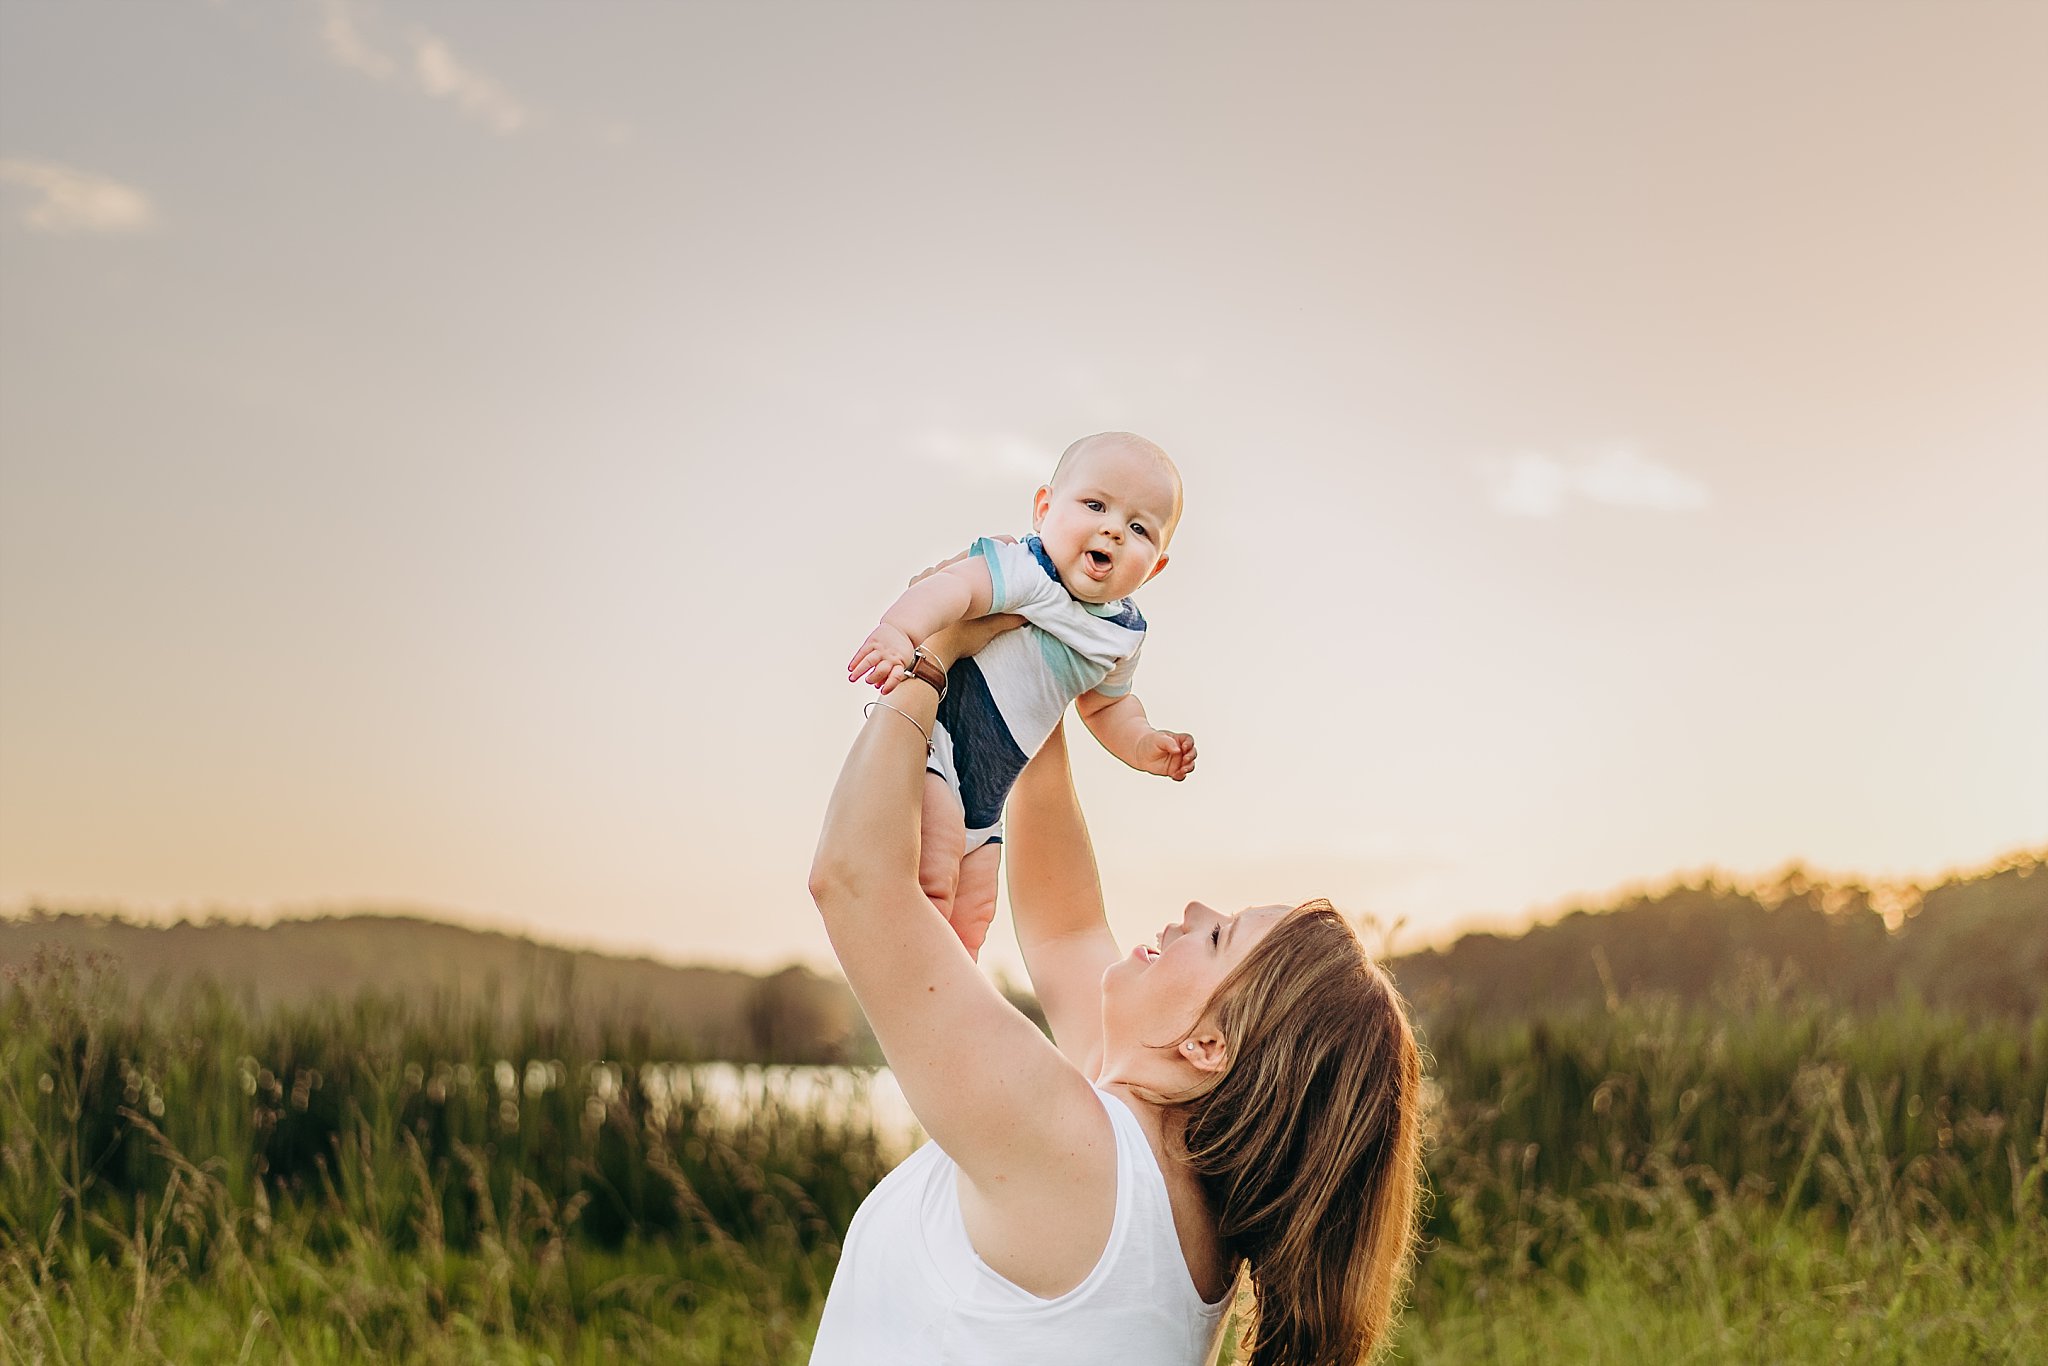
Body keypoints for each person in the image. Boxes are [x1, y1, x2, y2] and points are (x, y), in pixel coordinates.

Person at [808, 616, 1427, 1366]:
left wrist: (928, 653)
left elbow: (854, 881)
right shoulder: (1173, 1203)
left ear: (1208, 1046)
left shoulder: (1083, 1167)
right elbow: (1064, 927)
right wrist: (1044, 653)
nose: (1194, 912)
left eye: (1219, 936)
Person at [845, 432, 1197, 961]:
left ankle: (949, 1011)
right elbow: (953, 588)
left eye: (1139, 528)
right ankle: (903, 981)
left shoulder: (1121, 634)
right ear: (1044, 509)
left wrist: (1145, 745)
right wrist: (900, 631)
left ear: (1157, 566)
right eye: (1095, 505)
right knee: (935, 879)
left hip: (989, 798)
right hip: (940, 748)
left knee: (975, 916)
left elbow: (1107, 706)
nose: (1113, 530)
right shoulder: (1026, 569)